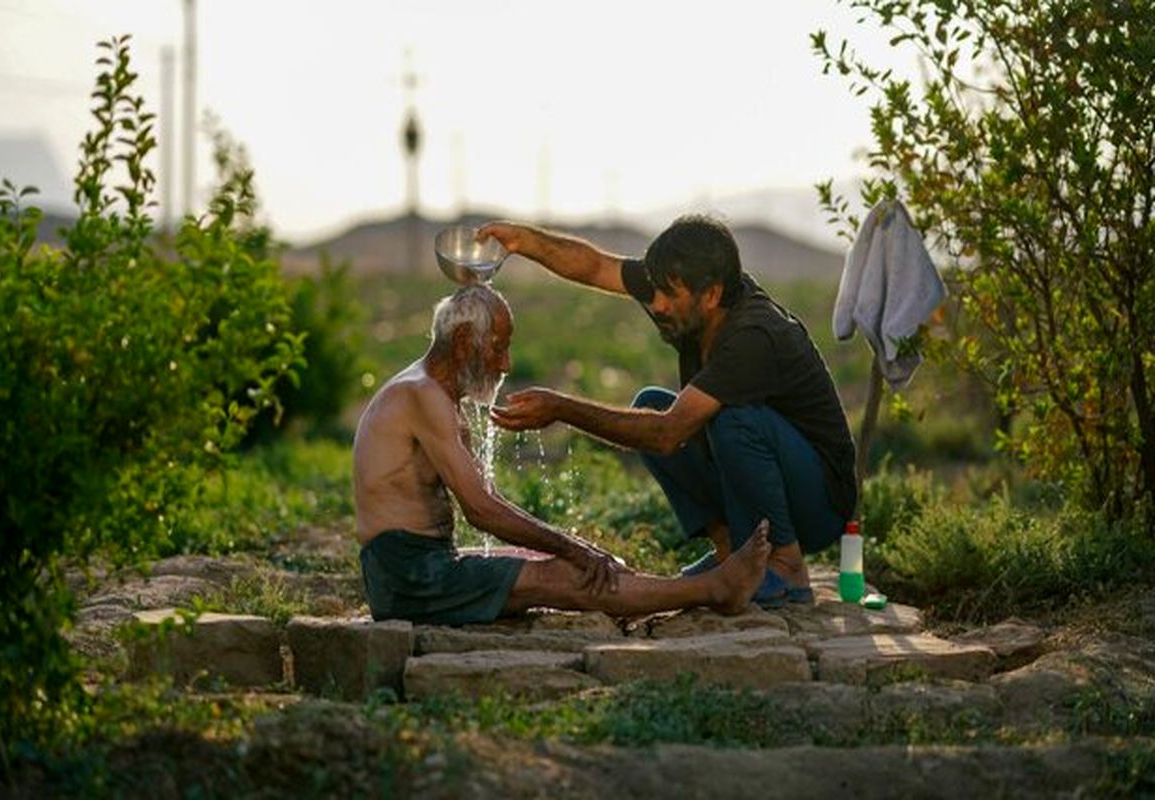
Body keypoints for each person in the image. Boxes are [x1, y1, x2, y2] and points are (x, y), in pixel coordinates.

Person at [480, 216, 856, 606]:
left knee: (731, 420)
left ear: (711, 294)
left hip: (819, 504)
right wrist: (525, 241)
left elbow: (666, 434)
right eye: (655, 290)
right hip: (766, 480)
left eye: (669, 295)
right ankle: (730, 553)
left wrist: (562, 408)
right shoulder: (682, 286)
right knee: (651, 405)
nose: (657, 304)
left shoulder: (752, 336)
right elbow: (595, 266)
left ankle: (785, 566)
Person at [352, 283, 771, 625]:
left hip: (424, 566)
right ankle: (714, 589)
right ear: (463, 342)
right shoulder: (421, 395)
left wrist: (574, 548)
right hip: (407, 577)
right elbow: (481, 511)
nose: (505, 365)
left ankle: (679, 587)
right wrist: (573, 550)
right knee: (570, 573)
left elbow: (487, 499)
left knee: (596, 566)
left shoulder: (435, 394)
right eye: (498, 348)